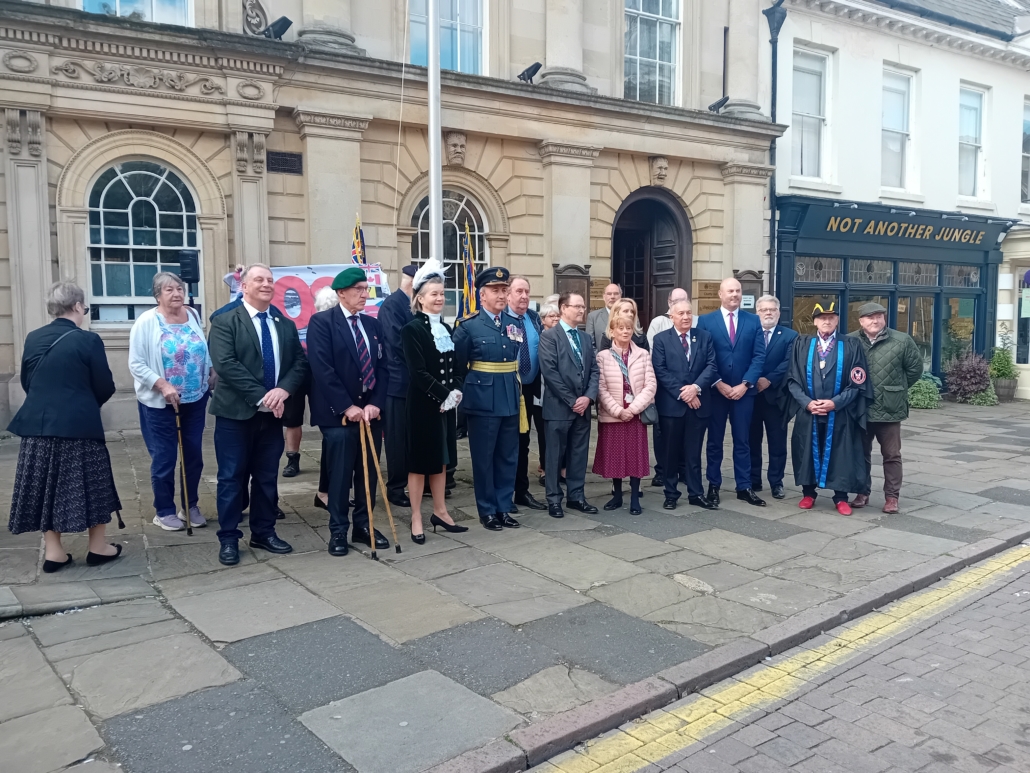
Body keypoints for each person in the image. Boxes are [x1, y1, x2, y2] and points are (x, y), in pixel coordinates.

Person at [9, 281, 123, 572]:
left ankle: (54, 552)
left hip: (38, 426)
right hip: (79, 426)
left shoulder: (34, 337)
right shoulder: (89, 340)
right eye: (84, 306)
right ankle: (97, 547)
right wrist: (83, 403)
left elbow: (27, 381)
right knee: (93, 484)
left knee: (46, 486)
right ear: (76, 306)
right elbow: (104, 386)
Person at [208, 264, 309, 566]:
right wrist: (262, 396)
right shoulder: (225, 321)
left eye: (269, 280)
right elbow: (226, 365)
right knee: (231, 478)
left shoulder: (284, 323)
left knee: (266, 478)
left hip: (272, 416)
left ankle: (264, 532)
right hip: (235, 416)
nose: (266, 284)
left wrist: (283, 391)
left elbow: (299, 365)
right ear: (244, 286)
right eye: (259, 280)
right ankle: (228, 538)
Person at [307, 267, 392, 556]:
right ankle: (338, 530)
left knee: (367, 472)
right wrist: (347, 406)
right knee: (341, 474)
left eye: (366, 289)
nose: (364, 294)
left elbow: (383, 366)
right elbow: (322, 368)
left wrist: (375, 403)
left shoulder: (372, 325)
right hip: (338, 414)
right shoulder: (322, 323)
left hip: (370, 412)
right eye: (358, 289)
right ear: (341, 293)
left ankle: (364, 525)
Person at [129, 272, 212, 531]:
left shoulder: (193, 315)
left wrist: (210, 372)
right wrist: (163, 384)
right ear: (157, 295)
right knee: (164, 458)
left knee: (193, 456)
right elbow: (136, 363)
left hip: (195, 399)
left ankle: (190, 506)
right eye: (169, 290)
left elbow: (201, 349)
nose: (176, 294)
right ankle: (163, 510)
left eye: (179, 288)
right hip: (160, 404)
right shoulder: (146, 322)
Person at [400, 259, 468, 543]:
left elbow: (455, 367)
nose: (439, 298)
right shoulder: (412, 329)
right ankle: (417, 516)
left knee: (441, 461)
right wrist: (444, 394)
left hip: (445, 407)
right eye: (433, 294)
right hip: (422, 405)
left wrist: (455, 391)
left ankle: (440, 511)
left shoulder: (447, 328)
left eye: (441, 293)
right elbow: (418, 373)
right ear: (420, 298)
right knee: (419, 464)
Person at [787, 302, 873, 516]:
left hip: (839, 412)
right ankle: (808, 493)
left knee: (841, 452)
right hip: (809, 411)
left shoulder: (851, 345)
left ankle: (840, 497)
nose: (827, 321)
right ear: (815, 321)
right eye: (822, 317)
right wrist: (807, 402)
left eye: (831, 317)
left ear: (837, 320)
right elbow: (792, 380)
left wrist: (836, 403)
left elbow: (858, 381)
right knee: (806, 450)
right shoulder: (802, 344)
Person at [453, 267, 522, 531]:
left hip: (509, 397)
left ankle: (504, 506)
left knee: (508, 456)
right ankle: (487, 510)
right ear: (482, 295)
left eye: (504, 290)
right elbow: (458, 368)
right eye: (496, 290)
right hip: (482, 399)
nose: (502, 295)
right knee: (484, 457)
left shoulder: (513, 324)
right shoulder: (469, 326)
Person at [694, 277, 767, 507]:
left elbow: (759, 356)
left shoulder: (753, 321)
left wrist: (745, 384)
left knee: (743, 441)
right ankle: (713, 486)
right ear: (720, 294)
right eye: (730, 291)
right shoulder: (705, 321)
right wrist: (717, 383)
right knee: (714, 441)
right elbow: (702, 357)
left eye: (738, 291)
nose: (734, 295)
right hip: (716, 392)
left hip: (744, 392)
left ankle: (744, 486)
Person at [848, 302, 923, 514]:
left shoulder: (902, 341)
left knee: (891, 455)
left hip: (889, 409)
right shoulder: (850, 340)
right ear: (861, 321)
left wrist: (895, 389)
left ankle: (892, 497)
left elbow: (915, 370)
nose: (875, 321)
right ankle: (862, 492)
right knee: (860, 454)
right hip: (860, 408)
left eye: (879, 316)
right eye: (870, 317)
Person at [652, 298, 719, 510]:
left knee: (693, 452)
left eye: (689, 313)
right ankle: (671, 493)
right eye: (680, 313)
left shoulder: (705, 337)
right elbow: (660, 370)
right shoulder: (661, 339)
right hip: (672, 407)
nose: (685, 317)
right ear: (671, 316)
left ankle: (696, 493)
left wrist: (696, 388)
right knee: (670, 453)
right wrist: (685, 393)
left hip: (699, 406)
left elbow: (711, 366)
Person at [538, 292, 600, 519]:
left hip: (583, 409)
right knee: (554, 456)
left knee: (579, 454)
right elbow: (550, 372)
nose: (582, 310)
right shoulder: (550, 337)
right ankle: (554, 499)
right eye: (577, 306)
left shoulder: (584, 338)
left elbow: (594, 370)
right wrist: (572, 400)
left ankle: (576, 496)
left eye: (583, 306)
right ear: (563, 308)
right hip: (559, 408)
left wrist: (588, 397)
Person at [594, 312, 657, 515]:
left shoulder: (643, 354)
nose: (625, 331)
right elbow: (600, 387)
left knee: (635, 456)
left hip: (635, 415)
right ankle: (618, 495)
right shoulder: (602, 357)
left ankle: (635, 497)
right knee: (615, 456)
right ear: (611, 331)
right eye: (620, 328)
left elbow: (650, 385)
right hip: (613, 415)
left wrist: (633, 409)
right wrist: (618, 411)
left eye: (628, 328)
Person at [748, 295, 799, 500]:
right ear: (757, 312)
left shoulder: (790, 335)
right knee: (751, 441)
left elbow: (789, 362)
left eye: (772, 310)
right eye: (764, 310)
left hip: (776, 398)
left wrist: (768, 380)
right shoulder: (749, 333)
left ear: (779, 312)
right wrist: (752, 380)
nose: (768, 313)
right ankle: (753, 480)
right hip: (750, 396)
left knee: (777, 443)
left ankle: (776, 482)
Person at [507, 275, 546, 512]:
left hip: (531, 388)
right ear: (508, 294)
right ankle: (504, 492)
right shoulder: (501, 319)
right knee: (509, 443)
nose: (524, 296)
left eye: (527, 292)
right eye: (519, 291)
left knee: (524, 441)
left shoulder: (532, 318)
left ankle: (521, 491)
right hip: (509, 388)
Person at [379, 264, 417, 507]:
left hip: (412, 382)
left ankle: (411, 482)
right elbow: (396, 342)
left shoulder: (410, 304)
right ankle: (395, 487)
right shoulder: (393, 305)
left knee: (410, 437)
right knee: (396, 438)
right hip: (397, 382)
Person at [646, 288, 689, 490]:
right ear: (669, 303)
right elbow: (655, 356)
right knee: (663, 434)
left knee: (686, 434)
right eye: (676, 301)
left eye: (684, 300)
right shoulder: (658, 323)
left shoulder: (695, 321)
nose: (681, 306)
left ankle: (684, 469)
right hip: (666, 389)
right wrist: (679, 388)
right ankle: (662, 471)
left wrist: (692, 388)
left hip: (691, 390)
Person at [310, 286, 340, 512]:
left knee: (334, 448)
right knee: (332, 448)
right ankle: (325, 492)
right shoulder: (321, 324)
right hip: (328, 399)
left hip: (333, 398)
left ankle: (329, 492)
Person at [536, 302, 560, 485]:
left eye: (557, 315)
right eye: (551, 316)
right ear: (543, 320)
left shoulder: (562, 337)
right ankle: (545, 468)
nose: (556, 318)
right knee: (544, 434)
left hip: (560, 394)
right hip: (542, 393)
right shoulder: (539, 338)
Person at [585, 283, 622, 348]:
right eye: (609, 294)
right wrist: (600, 357)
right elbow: (589, 343)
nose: (612, 297)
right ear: (604, 297)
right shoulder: (593, 317)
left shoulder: (630, 315)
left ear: (620, 296)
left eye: (616, 294)